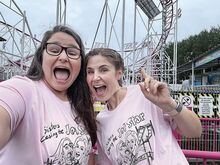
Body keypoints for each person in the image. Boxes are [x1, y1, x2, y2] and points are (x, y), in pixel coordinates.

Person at [85, 48, 202, 165]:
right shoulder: (100, 122)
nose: (95, 77)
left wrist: (169, 103)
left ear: (118, 73)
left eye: (103, 70)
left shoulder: (144, 93)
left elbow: (195, 131)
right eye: (90, 72)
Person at [0, 25, 97, 165]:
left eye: (73, 52)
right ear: (41, 57)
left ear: (81, 63)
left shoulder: (80, 104)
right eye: (54, 50)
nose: (63, 57)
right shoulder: (26, 90)